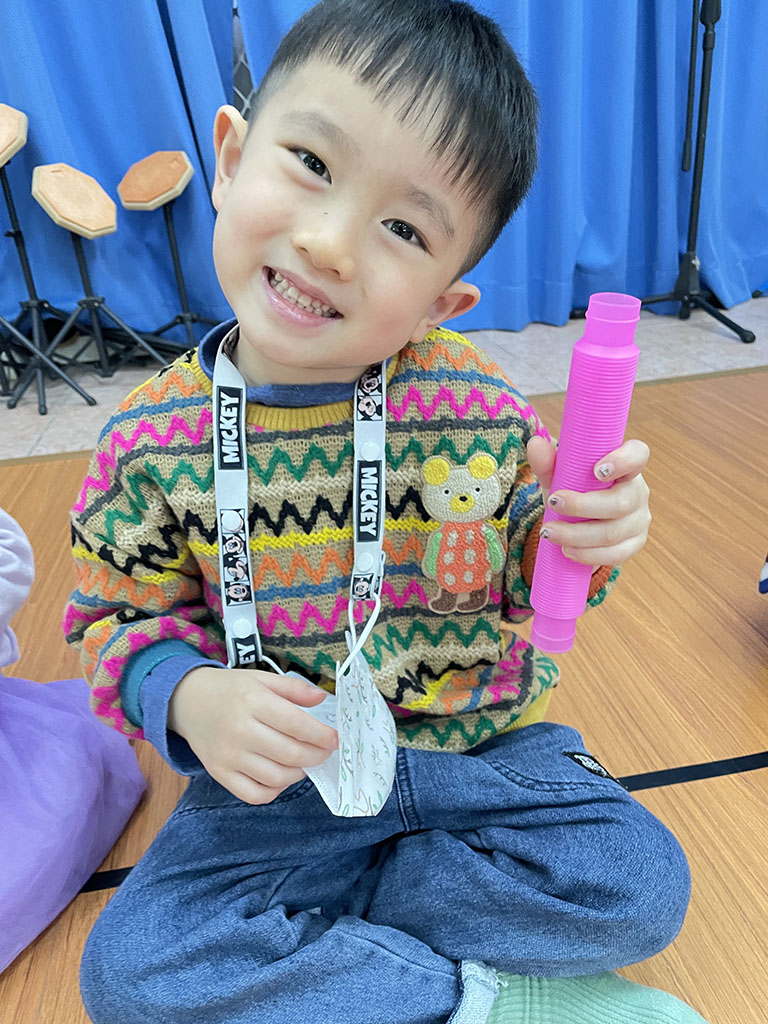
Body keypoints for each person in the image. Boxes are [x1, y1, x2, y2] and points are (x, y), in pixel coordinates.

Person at [64, 2, 707, 1021]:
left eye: (404, 229)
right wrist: (192, 699)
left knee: (643, 882)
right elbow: (115, 620)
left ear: (444, 301)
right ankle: (479, 993)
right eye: (312, 163)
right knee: (130, 974)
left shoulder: (475, 408)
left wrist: (582, 536)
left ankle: (340, 945)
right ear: (230, 157)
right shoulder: (146, 446)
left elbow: (528, 580)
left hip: (476, 757)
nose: (328, 244)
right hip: (282, 789)